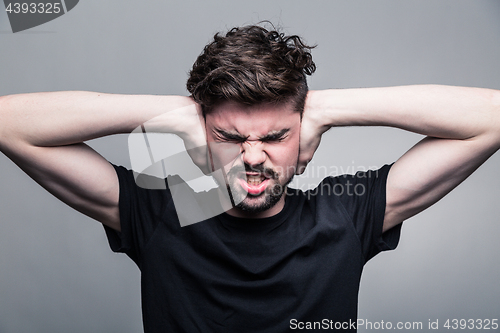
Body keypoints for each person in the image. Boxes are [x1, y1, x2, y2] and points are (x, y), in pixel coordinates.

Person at [0, 24, 498, 332]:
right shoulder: (156, 211)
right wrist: (173, 114)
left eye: (276, 136)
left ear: (303, 137)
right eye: (231, 136)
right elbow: (8, 123)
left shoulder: (347, 212)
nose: (253, 157)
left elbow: (492, 117)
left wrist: (329, 108)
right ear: (202, 135)